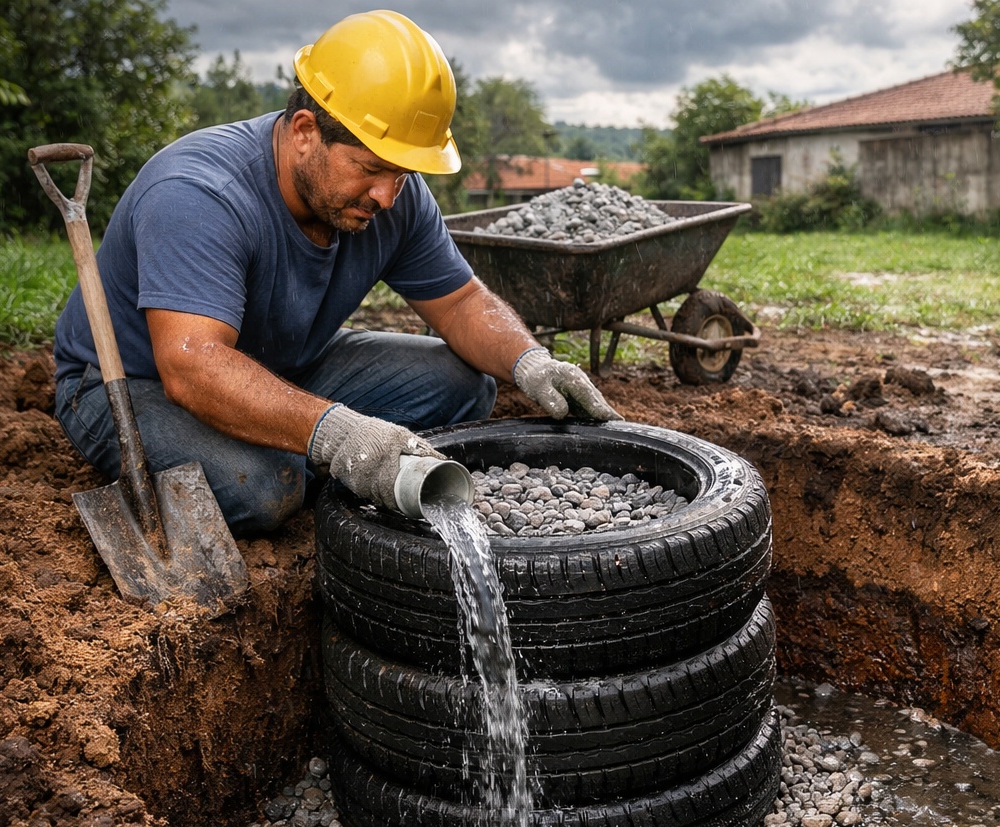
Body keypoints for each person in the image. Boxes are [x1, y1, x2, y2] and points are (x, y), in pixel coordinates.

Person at [51, 10, 618, 537]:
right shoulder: (201, 195)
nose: (388, 196)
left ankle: (307, 446)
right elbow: (192, 367)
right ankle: (306, 458)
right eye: (370, 169)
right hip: (132, 382)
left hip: (281, 362)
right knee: (266, 487)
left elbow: (461, 303)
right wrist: (341, 434)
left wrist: (531, 361)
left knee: (467, 383)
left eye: (402, 172)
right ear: (304, 130)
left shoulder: (394, 194)